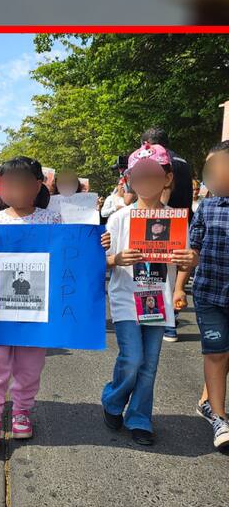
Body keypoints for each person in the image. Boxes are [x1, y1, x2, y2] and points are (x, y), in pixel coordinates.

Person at [0, 156, 109, 451]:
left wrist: (98, 246)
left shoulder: (51, 220)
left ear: (36, 186)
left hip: (36, 309)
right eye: (9, 183)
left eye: (23, 183)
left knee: (30, 365)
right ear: (1, 187)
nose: (16, 189)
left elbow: (67, 257)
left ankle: (21, 412)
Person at [102, 144, 197, 445]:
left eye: (153, 175)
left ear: (168, 178)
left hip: (157, 297)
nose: (145, 182)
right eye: (138, 176)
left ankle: (140, 416)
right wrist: (117, 259)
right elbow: (103, 260)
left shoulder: (177, 220)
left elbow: (186, 259)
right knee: (132, 358)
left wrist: (189, 263)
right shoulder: (118, 219)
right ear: (130, 179)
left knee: (150, 363)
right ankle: (112, 399)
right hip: (125, 296)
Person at [176, 140, 229, 450]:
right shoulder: (206, 208)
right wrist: (180, 286)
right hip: (208, 293)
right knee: (216, 351)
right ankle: (219, 418)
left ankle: (209, 397)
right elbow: (192, 251)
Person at [142, 127, 193, 210]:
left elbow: (165, 190)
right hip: (184, 217)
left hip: (166, 219)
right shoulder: (182, 161)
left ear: (146, 144)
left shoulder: (161, 161)